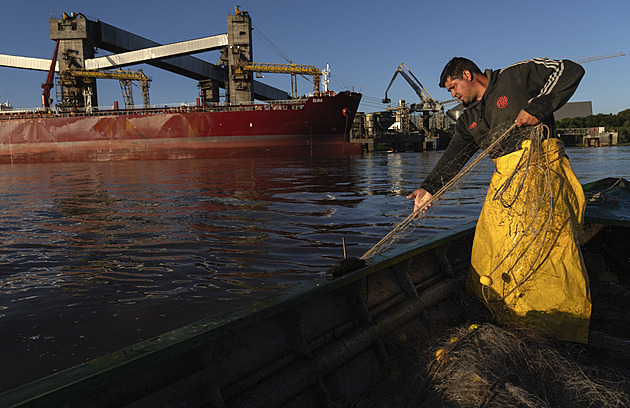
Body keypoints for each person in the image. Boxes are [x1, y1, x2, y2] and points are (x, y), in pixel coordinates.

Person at [407, 57, 591, 343]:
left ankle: (559, 328)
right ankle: (506, 317)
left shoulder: (515, 76)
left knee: (547, 249)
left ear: (468, 75)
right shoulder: (468, 118)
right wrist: (429, 188)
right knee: (488, 245)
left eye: (453, 87)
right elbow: (455, 155)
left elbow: (569, 69)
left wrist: (538, 106)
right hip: (506, 182)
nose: (453, 95)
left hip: (541, 171)